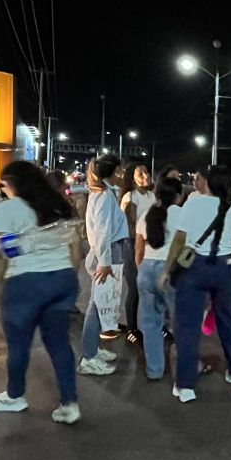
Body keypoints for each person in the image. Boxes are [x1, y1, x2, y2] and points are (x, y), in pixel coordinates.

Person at [0, 160, 82, 424]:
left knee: (19, 346)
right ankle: (70, 403)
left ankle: (14, 396)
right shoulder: (58, 204)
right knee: (60, 343)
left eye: (3, 185)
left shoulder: (8, 209)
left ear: (12, 183)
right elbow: (74, 246)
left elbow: (5, 254)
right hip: (62, 279)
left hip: (26, 283)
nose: (3, 190)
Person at [163, 165, 231, 403]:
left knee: (188, 326)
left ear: (209, 183)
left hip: (195, 269)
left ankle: (186, 385)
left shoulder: (193, 204)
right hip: (224, 269)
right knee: (227, 319)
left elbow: (180, 239)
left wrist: (166, 269)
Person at [79, 155, 127, 375]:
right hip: (107, 253)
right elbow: (101, 231)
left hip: (108, 251)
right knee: (97, 304)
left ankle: (93, 350)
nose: (123, 174)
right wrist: (105, 262)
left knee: (100, 301)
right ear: (114, 171)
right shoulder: (105, 195)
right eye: (121, 170)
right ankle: (88, 357)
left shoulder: (104, 193)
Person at [134, 177, 183, 380]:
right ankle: (185, 367)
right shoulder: (180, 214)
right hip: (170, 271)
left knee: (151, 324)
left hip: (146, 268)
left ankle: (155, 370)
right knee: (181, 322)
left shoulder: (146, 214)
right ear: (179, 196)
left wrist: (141, 271)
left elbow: (138, 249)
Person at [120, 160, 154, 337]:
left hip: (151, 246)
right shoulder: (130, 197)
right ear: (132, 178)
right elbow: (130, 228)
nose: (146, 176)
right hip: (132, 246)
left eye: (146, 172)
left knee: (148, 288)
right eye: (140, 173)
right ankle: (132, 329)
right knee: (134, 288)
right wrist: (145, 240)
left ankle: (148, 325)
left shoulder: (151, 196)